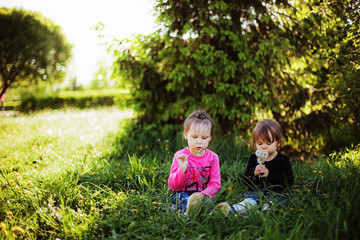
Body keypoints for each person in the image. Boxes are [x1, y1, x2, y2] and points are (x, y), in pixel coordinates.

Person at [212, 119, 294, 216]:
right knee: (248, 203)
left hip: (276, 193)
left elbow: (289, 181)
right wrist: (254, 174)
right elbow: (246, 181)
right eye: (260, 144)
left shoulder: (283, 160)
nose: (264, 147)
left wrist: (269, 174)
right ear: (255, 143)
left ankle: (267, 213)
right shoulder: (254, 159)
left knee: (272, 204)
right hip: (256, 192)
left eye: (268, 143)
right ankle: (230, 210)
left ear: (278, 142)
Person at [168, 110, 221, 214]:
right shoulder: (180, 156)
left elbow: (215, 184)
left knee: (208, 202)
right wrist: (181, 170)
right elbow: (173, 186)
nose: (199, 142)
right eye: (194, 137)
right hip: (182, 193)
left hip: (202, 194)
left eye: (204, 137)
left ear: (210, 137)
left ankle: (212, 213)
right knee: (183, 199)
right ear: (186, 134)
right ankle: (191, 211)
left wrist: (202, 195)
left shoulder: (213, 158)